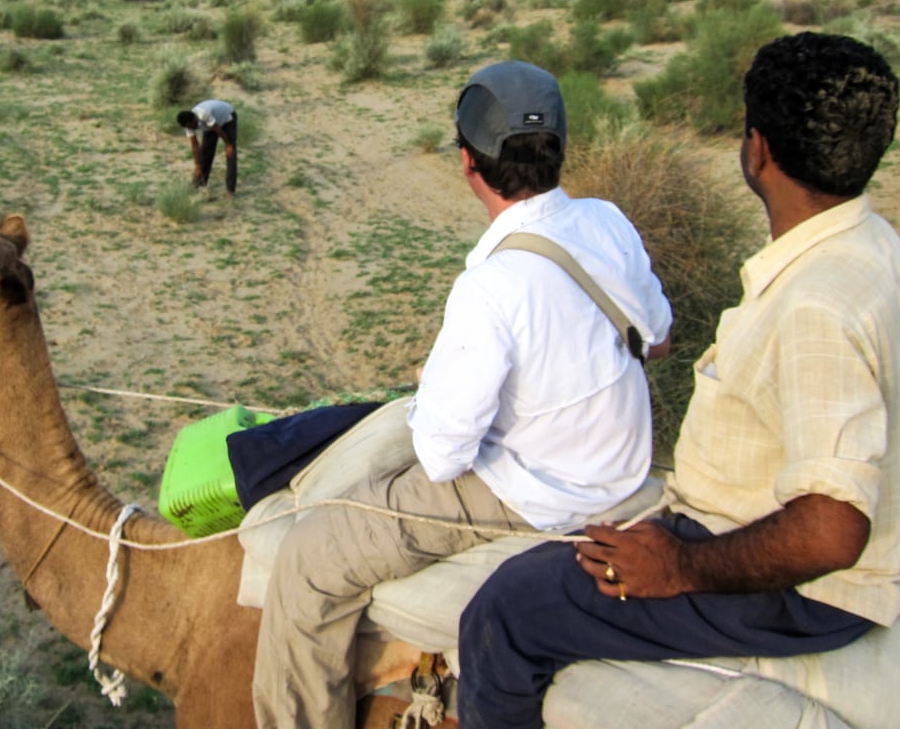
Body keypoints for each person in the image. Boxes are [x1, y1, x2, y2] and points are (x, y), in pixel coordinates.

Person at [456, 32, 900, 729]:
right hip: (782, 537)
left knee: (505, 611)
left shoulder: (816, 304)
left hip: (811, 591)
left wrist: (681, 566)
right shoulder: (872, 245)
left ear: (757, 150)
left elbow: (832, 530)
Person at [251, 60, 673, 728]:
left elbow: (444, 456)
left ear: (468, 163)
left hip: (537, 493)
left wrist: (434, 390)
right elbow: (658, 337)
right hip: (621, 467)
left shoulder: (489, 287)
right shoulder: (607, 222)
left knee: (308, 555)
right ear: (559, 146)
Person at [176, 99, 237, 196]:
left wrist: (228, 144)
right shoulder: (189, 125)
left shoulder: (203, 114)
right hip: (212, 124)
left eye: (191, 126)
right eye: (188, 127)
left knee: (231, 154)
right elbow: (195, 145)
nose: (190, 128)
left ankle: (230, 190)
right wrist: (197, 166)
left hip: (227, 118)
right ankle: (199, 185)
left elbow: (218, 129)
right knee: (206, 154)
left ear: (193, 119)